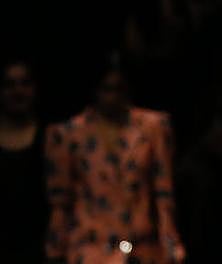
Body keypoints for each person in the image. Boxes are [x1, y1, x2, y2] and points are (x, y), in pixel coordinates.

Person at [45, 60, 184, 264]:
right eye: (107, 89)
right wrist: (55, 250)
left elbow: (163, 192)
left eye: (119, 88)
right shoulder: (69, 135)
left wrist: (171, 246)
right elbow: (61, 201)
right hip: (90, 248)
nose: (113, 97)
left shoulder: (152, 128)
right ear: (95, 91)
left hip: (141, 248)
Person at [0, 59, 48, 264]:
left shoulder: (51, 138)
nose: (17, 91)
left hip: (39, 251)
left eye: (24, 83)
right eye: (9, 84)